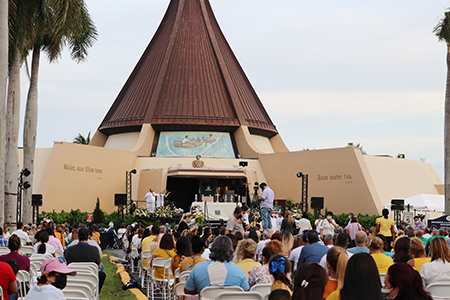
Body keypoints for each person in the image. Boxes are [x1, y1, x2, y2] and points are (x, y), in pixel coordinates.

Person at [184, 236, 249, 294]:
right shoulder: (238, 271)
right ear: (231, 251)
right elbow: (246, 292)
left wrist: (201, 289)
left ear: (212, 249)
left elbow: (187, 290)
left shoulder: (198, 268)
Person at [65, 227, 106, 291]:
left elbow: (66, 265)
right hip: (90, 278)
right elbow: (99, 266)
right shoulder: (94, 250)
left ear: (78, 236)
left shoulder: (70, 249)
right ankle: (96, 292)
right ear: (89, 236)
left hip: (73, 277)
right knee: (102, 274)